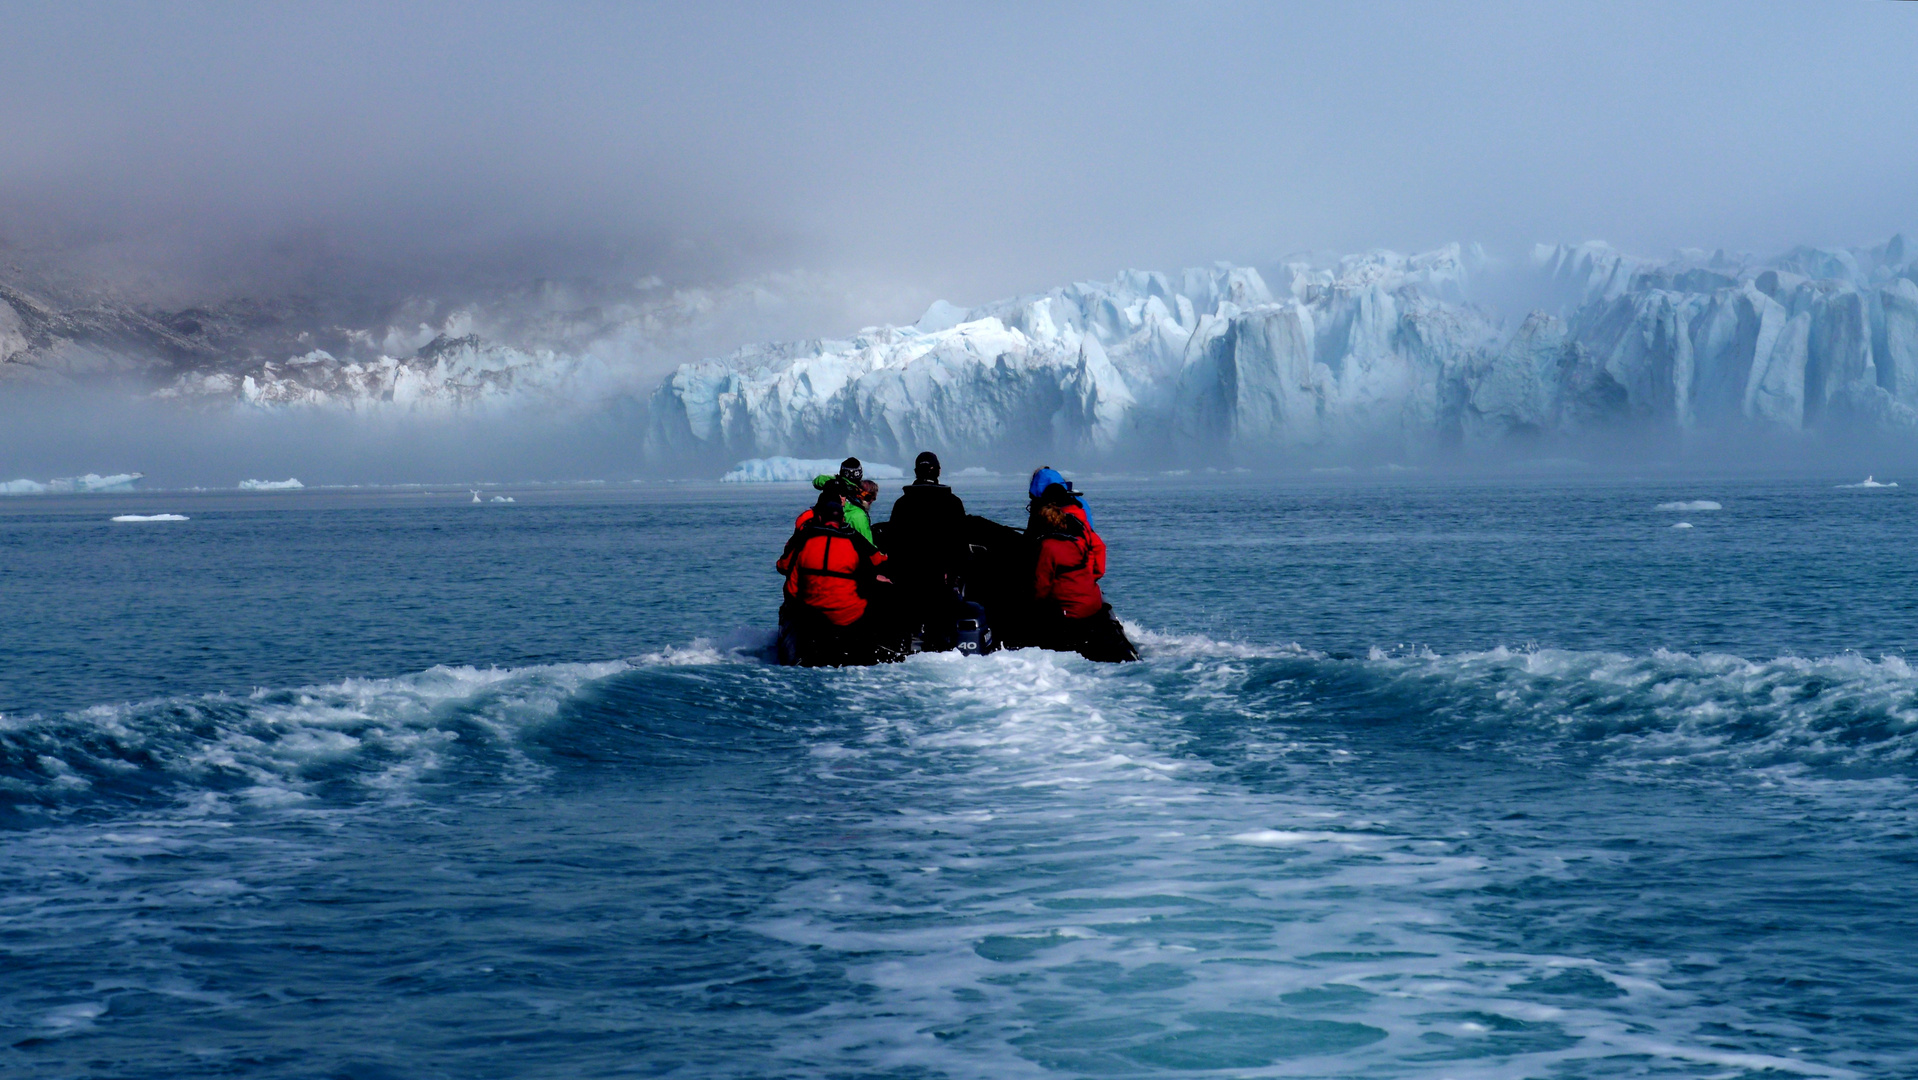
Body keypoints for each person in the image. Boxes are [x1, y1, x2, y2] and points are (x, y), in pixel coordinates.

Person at [776, 491, 895, 663]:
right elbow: (877, 561)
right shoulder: (853, 539)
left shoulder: (804, 539)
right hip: (848, 615)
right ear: (842, 519)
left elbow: (782, 566)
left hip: (811, 614)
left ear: (819, 517)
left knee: (791, 606)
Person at [886, 451, 970, 643]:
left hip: (909, 578)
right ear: (938, 471)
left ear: (916, 472)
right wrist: (957, 571)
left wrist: (896, 573)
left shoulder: (902, 504)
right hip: (941, 578)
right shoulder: (952, 503)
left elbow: (893, 542)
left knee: (909, 630)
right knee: (940, 631)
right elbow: (960, 542)